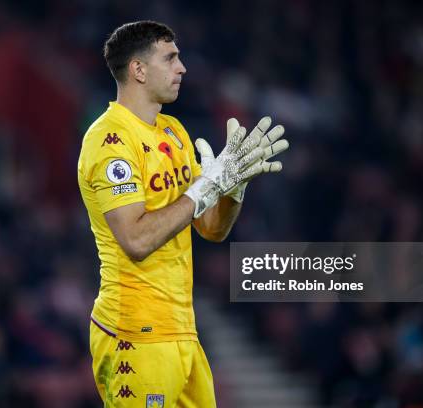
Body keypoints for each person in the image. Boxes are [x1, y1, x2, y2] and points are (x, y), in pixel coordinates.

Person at [77, 20, 289, 407]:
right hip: (135, 334)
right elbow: (136, 240)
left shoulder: (173, 132)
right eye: (170, 58)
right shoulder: (109, 141)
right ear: (138, 70)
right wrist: (202, 190)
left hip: (182, 331)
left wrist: (231, 190)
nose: (182, 68)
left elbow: (211, 228)